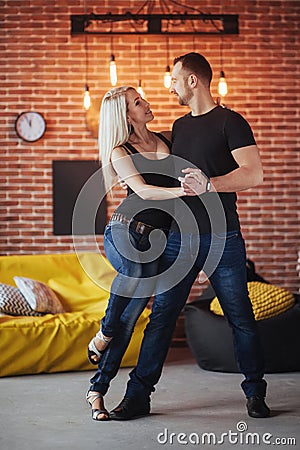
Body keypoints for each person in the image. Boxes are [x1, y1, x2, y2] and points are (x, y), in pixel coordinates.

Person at [108, 52, 270, 420]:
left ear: (193, 80)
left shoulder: (232, 122)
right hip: (179, 239)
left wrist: (209, 184)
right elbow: (151, 163)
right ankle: (138, 396)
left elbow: (253, 174)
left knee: (239, 317)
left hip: (224, 238)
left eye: (175, 79)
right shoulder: (178, 128)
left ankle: (256, 393)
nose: (170, 87)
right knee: (162, 317)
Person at [86, 86, 186, 421]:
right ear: (125, 115)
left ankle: (96, 389)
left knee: (131, 320)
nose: (146, 104)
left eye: (142, 98)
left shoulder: (166, 139)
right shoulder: (120, 150)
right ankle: (105, 330)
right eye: (137, 102)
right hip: (125, 230)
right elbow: (141, 189)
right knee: (138, 274)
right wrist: (182, 190)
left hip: (158, 238)